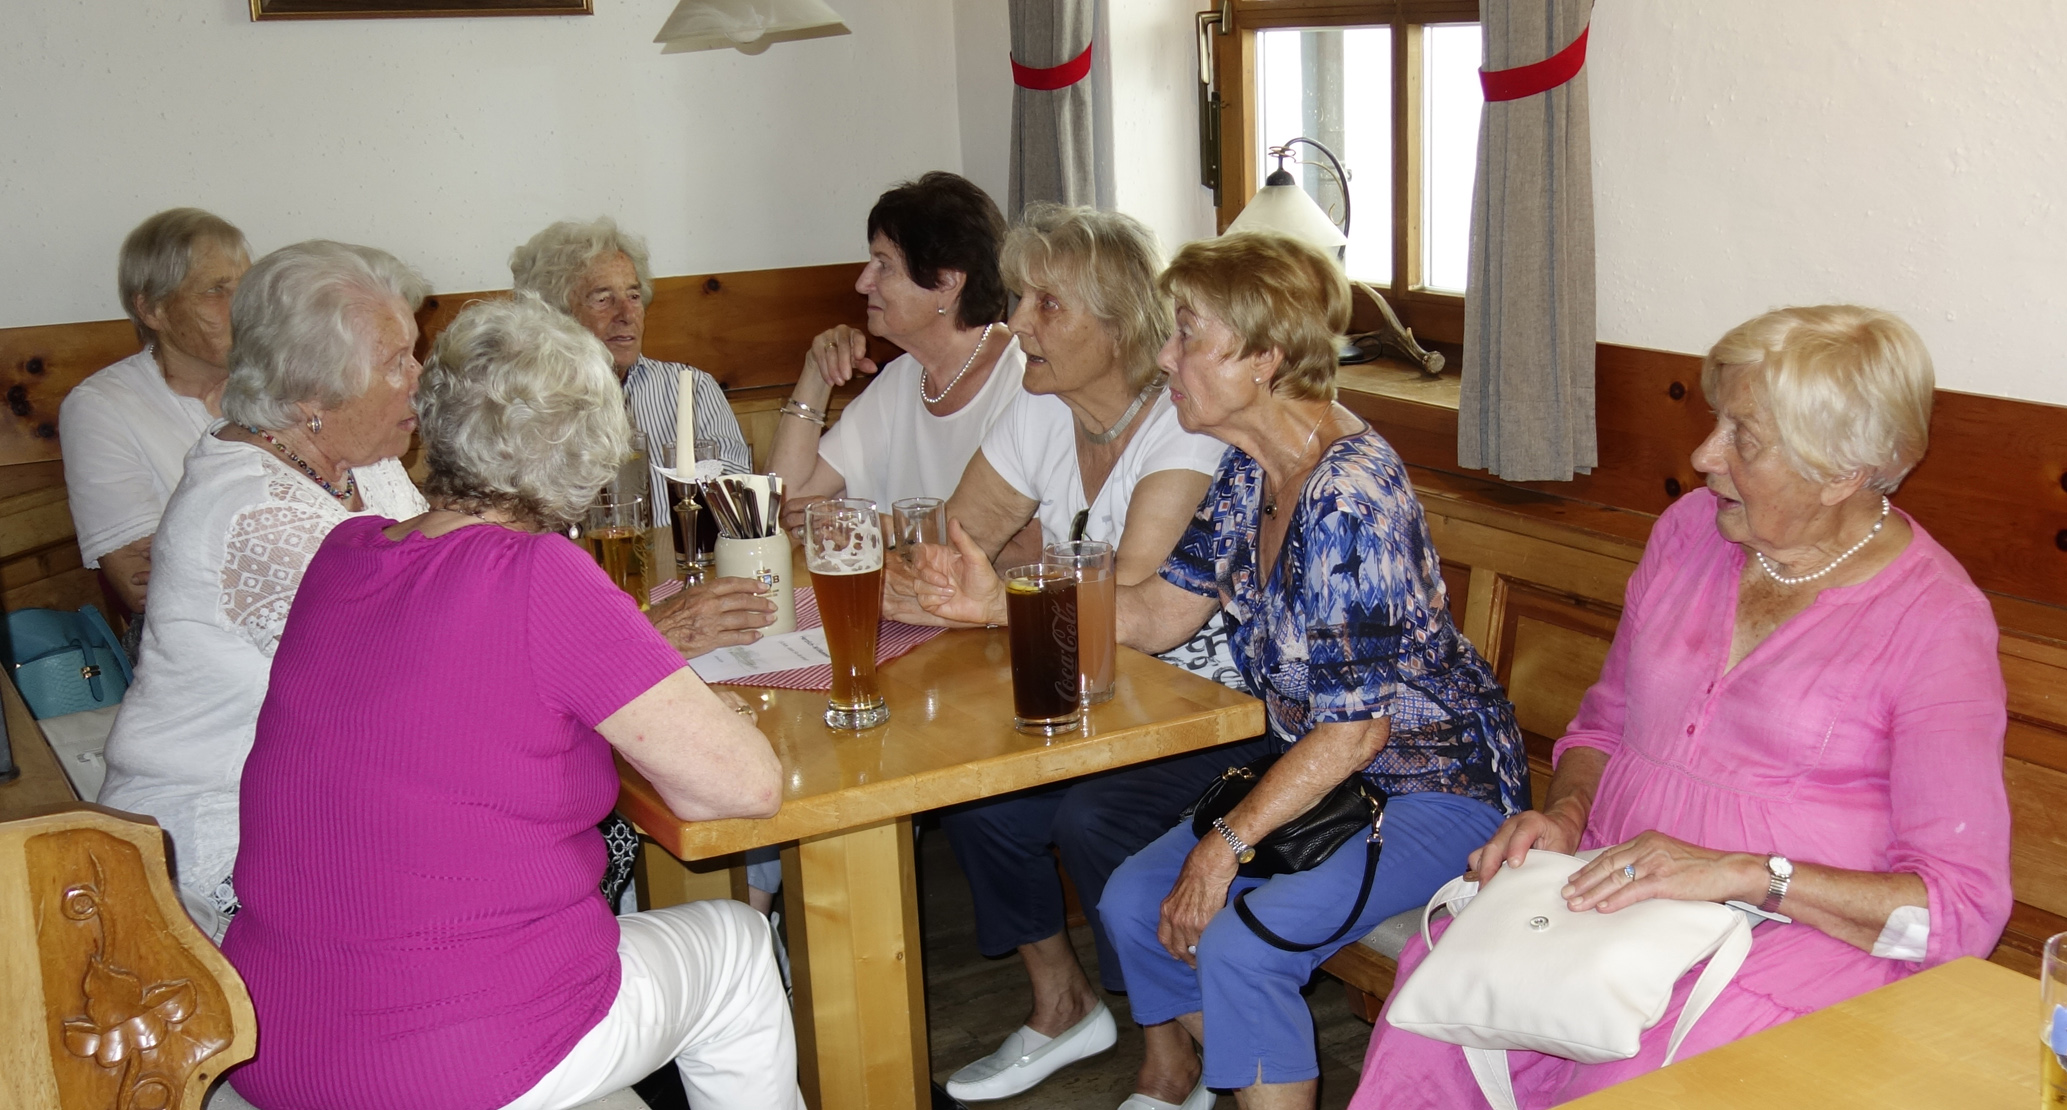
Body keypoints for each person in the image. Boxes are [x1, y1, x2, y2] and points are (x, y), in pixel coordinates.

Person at [918, 231, 1529, 1110]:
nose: (1163, 356)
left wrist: (1224, 846)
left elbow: (1357, 730)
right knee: (1134, 902)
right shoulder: (1251, 471)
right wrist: (998, 605)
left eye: (1186, 334)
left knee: (1243, 941)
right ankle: (1246, 1082)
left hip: (1435, 788)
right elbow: (1157, 614)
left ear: (1264, 358)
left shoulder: (1348, 497)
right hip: (1326, 773)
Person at [1350, 305, 2012, 1109]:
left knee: (1633, 1077)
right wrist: (1564, 815)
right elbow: (1602, 724)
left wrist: (1745, 873)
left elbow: (1958, 911)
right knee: (1435, 1009)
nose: (1703, 455)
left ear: (1841, 472)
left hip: (1788, 941)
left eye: (1744, 437)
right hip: (1608, 890)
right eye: (1715, 420)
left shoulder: (1934, 621)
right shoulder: (1688, 533)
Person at [220, 293, 801, 1110]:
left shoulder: (343, 552)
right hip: (442, 1057)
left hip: (269, 1032)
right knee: (736, 947)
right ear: (590, 449)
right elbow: (745, 787)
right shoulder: (539, 574)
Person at [904, 206, 1267, 1105]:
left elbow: (1132, 613)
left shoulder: (1183, 428)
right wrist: (961, 580)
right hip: (1102, 697)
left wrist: (998, 590)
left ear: (1119, 326)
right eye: (1018, 299)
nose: (1017, 323)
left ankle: (1170, 1054)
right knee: (980, 799)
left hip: (1215, 711)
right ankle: (1062, 1003)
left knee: (1092, 818)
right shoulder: (1041, 409)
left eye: (1046, 304)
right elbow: (954, 549)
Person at [96, 240, 432, 940]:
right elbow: (419, 673)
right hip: (226, 829)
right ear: (312, 391)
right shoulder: (254, 512)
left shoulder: (360, 461)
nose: (418, 378)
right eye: (395, 361)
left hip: (333, 795)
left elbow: (444, 583)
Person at [511, 217, 771, 659]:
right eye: (602, 298)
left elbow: (739, 513)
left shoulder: (690, 390)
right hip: (581, 623)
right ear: (557, 315)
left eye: (633, 295)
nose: (626, 313)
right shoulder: (528, 409)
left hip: (695, 612)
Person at [767, 171, 1026, 537]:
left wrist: (878, 529)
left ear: (948, 282)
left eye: (884, 265)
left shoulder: (1021, 382)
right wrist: (816, 374)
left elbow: (1015, 546)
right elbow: (784, 507)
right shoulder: (903, 378)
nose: (862, 283)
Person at [61, 207, 251, 634]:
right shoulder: (101, 407)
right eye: (216, 290)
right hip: (194, 644)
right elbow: (145, 587)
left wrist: (196, 553)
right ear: (152, 310)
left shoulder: (280, 384)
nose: (243, 307)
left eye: (247, 287)